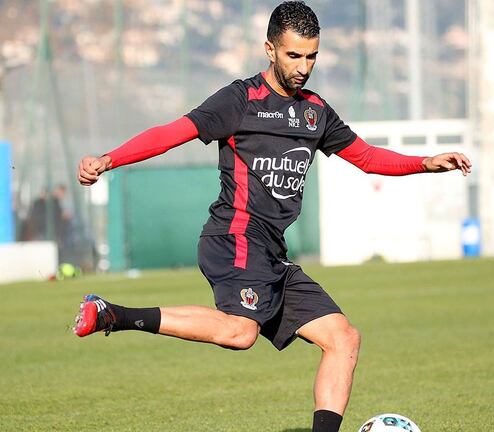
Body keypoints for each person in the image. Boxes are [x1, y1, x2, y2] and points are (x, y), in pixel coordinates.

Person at [73, 2, 471, 432]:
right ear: (270, 49)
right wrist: (109, 159)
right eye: (294, 55)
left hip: (271, 254)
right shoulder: (240, 100)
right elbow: (172, 133)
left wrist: (425, 162)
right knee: (241, 332)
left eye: (312, 56)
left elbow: (368, 157)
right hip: (235, 236)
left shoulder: (315, 111)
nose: (304, 66)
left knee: (343, 338)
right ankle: (112, 313)